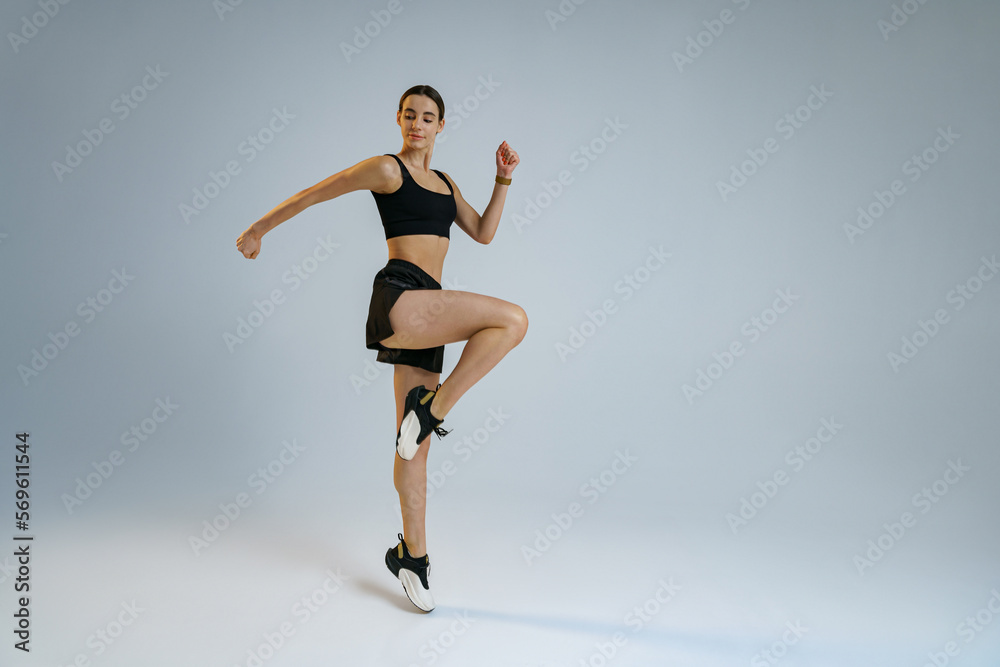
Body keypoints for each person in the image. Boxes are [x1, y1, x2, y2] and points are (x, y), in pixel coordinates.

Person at [236, 84, 527, 612]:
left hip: (429, 313)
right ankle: (432, 410)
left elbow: (482, 232)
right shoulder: (389, 170)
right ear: (398, 119)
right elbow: (318, 192)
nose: (417, 124)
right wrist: (259, 229)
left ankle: (411, 555)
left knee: (411, 447)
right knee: (512, 319)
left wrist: (503, 178)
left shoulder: (444, 182)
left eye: (428, 117)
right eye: (409, 115)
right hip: (401, 297)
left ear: (442, 126)